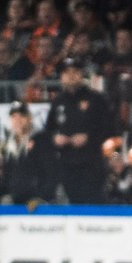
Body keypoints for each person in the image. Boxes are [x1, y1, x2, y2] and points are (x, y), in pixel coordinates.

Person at [45, 57, 114, 203]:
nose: (71, 76)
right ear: (61, 77)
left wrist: (89, 137)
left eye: (75, 72)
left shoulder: (96, 99)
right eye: (66, 72)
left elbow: (108, 128)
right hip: (67, 164)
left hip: (91, 163)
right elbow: (49, 130)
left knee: (93, 202)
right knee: (73, 203)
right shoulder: (58, 101)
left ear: (81, 74)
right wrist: (55, 138)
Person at [0, 102, 52, 205]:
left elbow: (50, 173)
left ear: (29, 118)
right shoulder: (9, 144)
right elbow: (6, 176)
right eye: (14, 116)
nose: (18, 120)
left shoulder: (41, 139)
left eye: (22, 116)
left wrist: (42, 197)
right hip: (15, 199)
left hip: (36, 201)